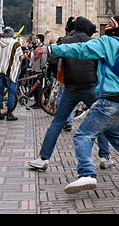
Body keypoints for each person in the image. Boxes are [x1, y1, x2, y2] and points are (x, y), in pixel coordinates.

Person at [33, 15, 119, 194]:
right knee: (118, 138)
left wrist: (48, 49)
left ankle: (87, 173)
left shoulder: (108, 42)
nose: (106, 26)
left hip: (109, 100)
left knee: (83, 135)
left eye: (110, 23)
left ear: (116, 27)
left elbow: (81, 49)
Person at [28, 16, 113, 171]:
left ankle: (43, 158)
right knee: (100, 121)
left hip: (70, 88)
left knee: (57, 122)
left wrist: (59, 75)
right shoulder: (94, 42)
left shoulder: (65, 40)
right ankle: (105, 156)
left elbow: (53, 60)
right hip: (90, 87)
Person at [0, 27, 24, 121]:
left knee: (0, 92)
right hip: (11, 72)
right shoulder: (16, 43)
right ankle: (9, 114)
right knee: (11, 92)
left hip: (0, 70)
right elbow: (21, 57)